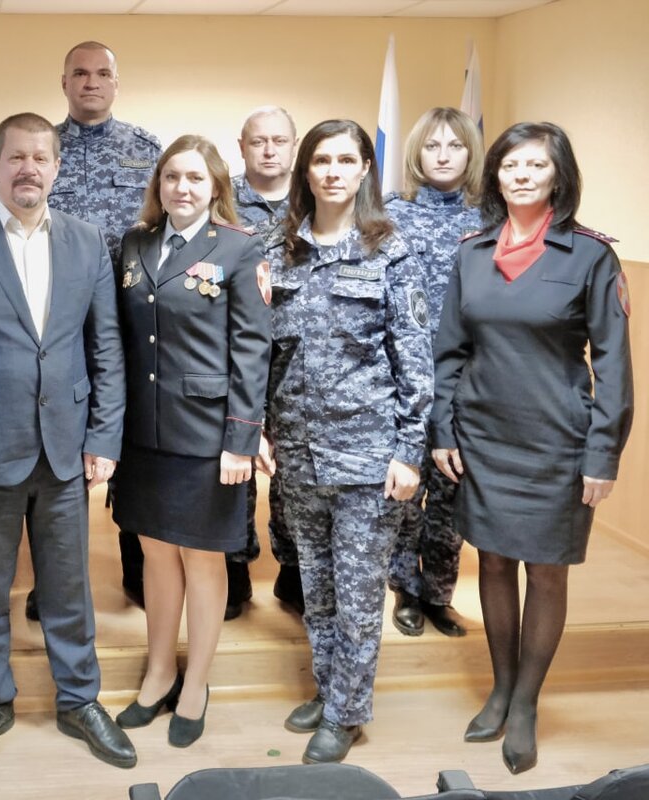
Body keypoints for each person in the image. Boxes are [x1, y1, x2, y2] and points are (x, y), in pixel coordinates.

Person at [0, 112, 134, 772]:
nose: (28, 168)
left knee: (69, 586)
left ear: (56, 166)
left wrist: (105, 435)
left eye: (41, 157)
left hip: (66, 445)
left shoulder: (87, 241)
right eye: (16, 157)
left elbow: (105, 347)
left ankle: (79, 699)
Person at [432, 122, 633, 775]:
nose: (521, 175)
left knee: (546, 571)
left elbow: (614, 364)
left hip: (557, 443)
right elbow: (450, 352)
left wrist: (603, 453)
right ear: (495, 175)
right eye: (510, 164)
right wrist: (443, 429)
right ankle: (499, 687)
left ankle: (524, 703)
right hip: (484, 437)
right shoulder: (471, 253)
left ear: (558, 176)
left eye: (536, 165)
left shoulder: (590, 257)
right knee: (492, 565)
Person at [262, 120, 432, 764]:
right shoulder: (280, 251)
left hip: (368, 455)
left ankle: (347, 712)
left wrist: (409, 452)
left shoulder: (391, 250)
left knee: (359, 594)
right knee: (317, 585)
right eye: (321, 160)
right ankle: (331, 687)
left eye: (344, 160)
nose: (332, 171)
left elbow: (414, 359)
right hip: (299, 451)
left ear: (364, 169)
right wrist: (262, 430)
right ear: (305, 171)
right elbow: (266, 355)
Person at [111, 135, 271, 747]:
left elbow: (252, 349)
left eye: (196, 178)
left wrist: (241, 439)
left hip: (208, 436)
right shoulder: (135, 243)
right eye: (172, 176)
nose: (182, 187)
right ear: (158, 183)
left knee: (203, 560)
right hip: (144, 432)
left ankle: (196, 683)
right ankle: (158, 673)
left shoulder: (238, 248)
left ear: (216, 187)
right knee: (155, 556)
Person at [33, 39, 162, 620]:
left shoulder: (146, 150)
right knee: (54, 453)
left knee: (130, 446)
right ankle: (53, 581)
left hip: (132, 321)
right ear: (64, 82)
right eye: (80, 73)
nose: (91, 82)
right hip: (56, 319)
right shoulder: (42, 148)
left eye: (102, 73)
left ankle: (137, 569)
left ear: (116, 83)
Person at [384, 107, 483, 639]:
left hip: (466, 378)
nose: (443, 156)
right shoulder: (389, 214)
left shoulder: (489, 218)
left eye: (455, 146)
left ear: (471, 154)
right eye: (432, 146)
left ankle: (439, 593)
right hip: (403, 375)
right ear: (416, 153)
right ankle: (404, 588)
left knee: (452, 490)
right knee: (406, 488)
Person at [228, 105, 304, 619]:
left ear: (294, 145)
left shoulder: (314, 198)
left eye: (279, 140)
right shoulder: (223, 200)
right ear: (242, 147)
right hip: (240, 349)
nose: (269, 150)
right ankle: (234, 566)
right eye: (259, 141)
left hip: (300, 353)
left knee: (294, 466)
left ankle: (293, 569)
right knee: (235, 455)